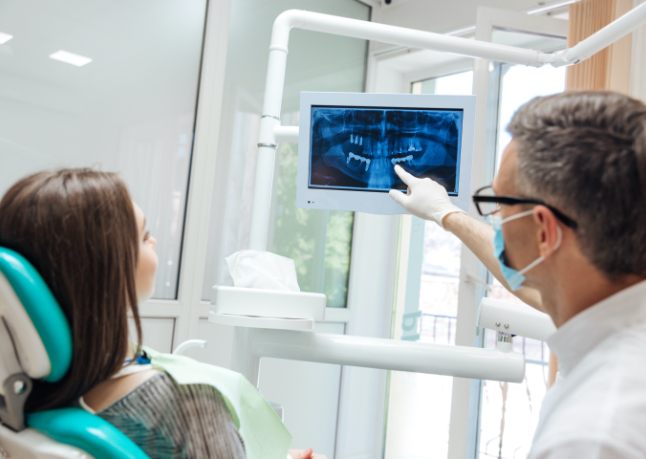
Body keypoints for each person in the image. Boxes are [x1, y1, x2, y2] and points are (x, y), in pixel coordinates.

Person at [389, 90, 646, 458]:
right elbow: (541, 287)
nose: (496, 221)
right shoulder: (614, 314)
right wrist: (445, 213)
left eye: (498, 203)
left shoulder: (592, 435)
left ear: (544, 231)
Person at [0, 169, 317, 459]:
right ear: (102, 272)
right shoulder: (184, 404)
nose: (154, 241)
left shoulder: (30, 399)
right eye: (142, 236)